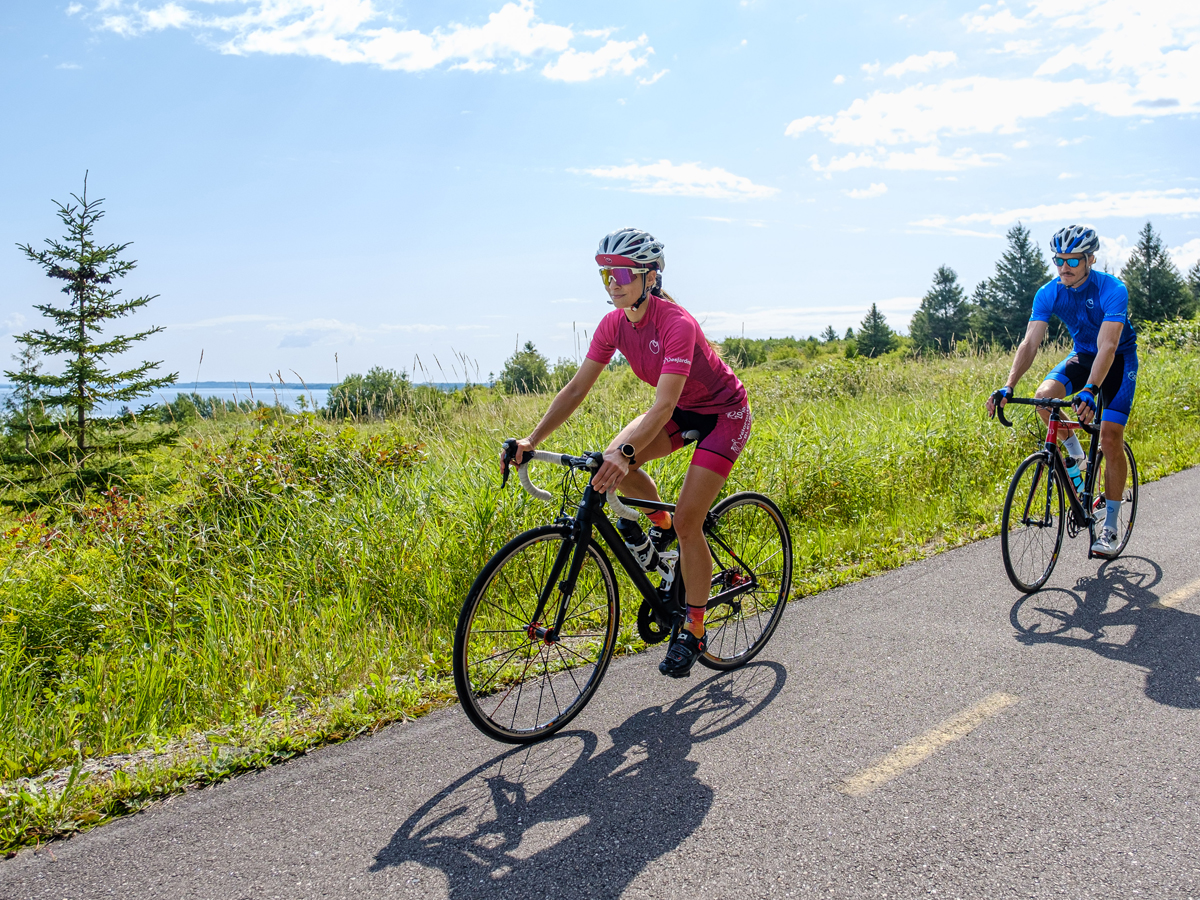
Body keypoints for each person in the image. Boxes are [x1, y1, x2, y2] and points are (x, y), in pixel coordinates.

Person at [510, 227, 752, 677]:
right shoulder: (613, 325)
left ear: (650, 276)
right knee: (610, 460)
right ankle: (662, 535)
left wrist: (627, 451)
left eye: (621, 273)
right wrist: (532, 440)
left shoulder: (676, 323)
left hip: (723, 415)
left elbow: (661, 406)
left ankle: (694, 628)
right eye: (606, 276)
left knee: (688, 519)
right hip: (682, 410)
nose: (613, 283)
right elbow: (577, 387)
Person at [986, 224, 1138, 556]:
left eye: (1072, 260)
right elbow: (1030, 342)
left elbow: (1109, 346)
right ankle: (1076, 454)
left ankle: (1110, 526)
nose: (1064, 267)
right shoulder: (1049, 292)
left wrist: (1090, 389)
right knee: (1044, 398)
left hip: (1117, 361)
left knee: (1111, 436)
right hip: (1082, 356)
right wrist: (1009, 386)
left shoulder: (1112, 289)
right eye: (1059, 260)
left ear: (1090, 259)